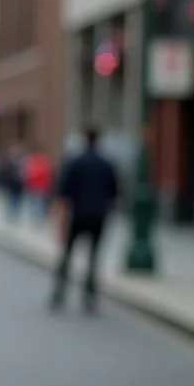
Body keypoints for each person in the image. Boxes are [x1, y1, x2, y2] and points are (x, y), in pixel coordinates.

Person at [49, 124, 119, 313]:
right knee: (94, 257)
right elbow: (114, 192)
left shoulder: (75, 162)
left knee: (67, 254)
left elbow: (63, 192)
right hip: (98, 215)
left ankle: (59, 293)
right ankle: (90, 297)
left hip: (77, 214)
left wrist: (60, 220)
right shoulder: (106, 163)